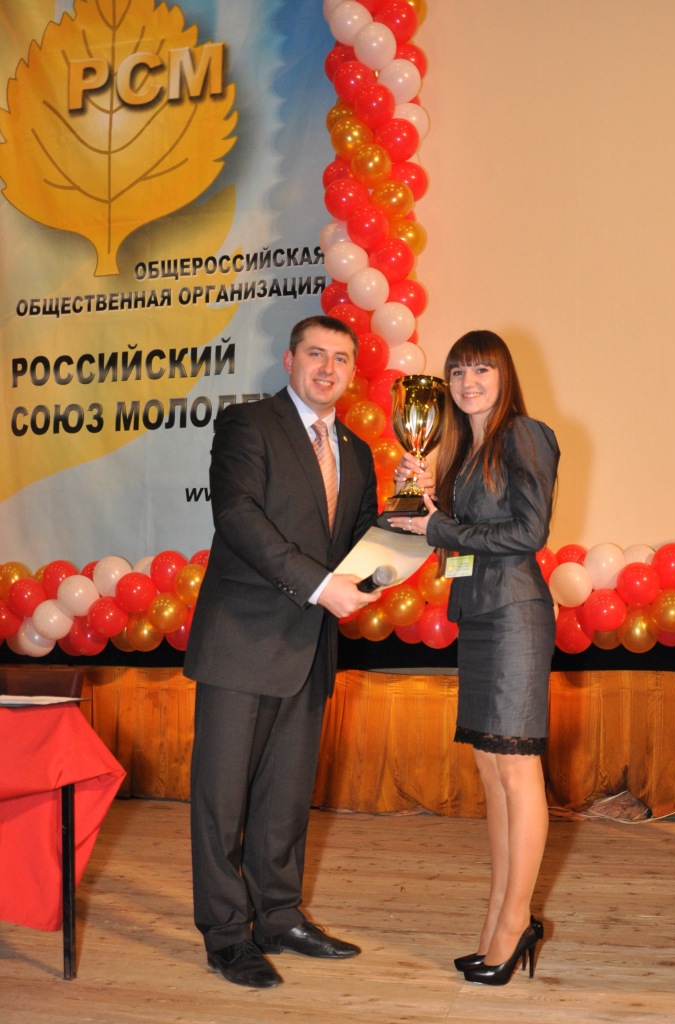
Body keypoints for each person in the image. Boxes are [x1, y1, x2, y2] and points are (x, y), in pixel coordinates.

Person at [184, 315, 382, 989]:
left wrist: (410, 516)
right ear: (290, 360)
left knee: (286, 798)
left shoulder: (356, 451)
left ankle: (278, 917)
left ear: (353, 372)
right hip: (241, 639)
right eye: (316, 354)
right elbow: (238, 516)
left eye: (341, 358)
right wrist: (322, 586)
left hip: (310, 646)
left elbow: (361, 543)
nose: (328, 368)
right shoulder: (248, 425)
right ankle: (224, 935)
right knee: (222, 799)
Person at [389, 329, 559, 987]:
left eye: (481, 369)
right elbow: (459, 544)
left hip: (516, 613)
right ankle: (496, 918)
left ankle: (515, 924)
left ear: (504, 375)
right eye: (458, 371)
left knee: (516, 767)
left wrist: (437, 524)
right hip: (479, 612)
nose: (468, 382)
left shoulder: (525, 435)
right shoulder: (462, 452)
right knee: (490, 768)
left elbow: (529, 531)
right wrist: (419, 506)